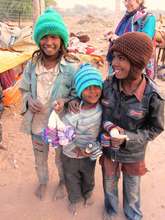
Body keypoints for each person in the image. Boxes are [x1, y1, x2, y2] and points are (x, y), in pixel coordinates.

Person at [100, 32, 164, 220]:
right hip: (108, 150)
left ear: (137, 63)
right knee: (109, 183)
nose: (114, 63)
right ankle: (110, 211)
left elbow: (155, 128)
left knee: (132, 188)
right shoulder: (109, 84)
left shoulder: (152, 95)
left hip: (133, 153)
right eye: (114, 57)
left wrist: (127, 138)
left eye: (121, 58)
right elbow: (96, 108)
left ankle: (133, 215)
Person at [19, 8, 79, 200]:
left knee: (61, 158)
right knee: (40, 158)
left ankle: (62, 182)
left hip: (60, 125)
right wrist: (29, 99)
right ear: (38, 40)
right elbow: (24, 90)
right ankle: (43, 181)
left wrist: (66, 101)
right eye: (44, 36)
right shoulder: (32, 65)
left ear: (61, 40)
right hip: (37, 124)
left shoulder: (71, 68)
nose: (48, 42)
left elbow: (77, 96)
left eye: (54, 36)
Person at [61, 63, 103, 215]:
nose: (92, 91)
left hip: (89, 152)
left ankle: (88, 193)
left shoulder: (102, 108)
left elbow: (102, 130)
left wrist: (91, 148)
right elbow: (65, 133)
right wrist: (75, 148)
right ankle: (74, 199)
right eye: (87, 87)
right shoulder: (74, 110)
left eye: (96, 86)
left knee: (88, 175)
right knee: (71, 177)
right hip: (70, 154)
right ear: (79, 90)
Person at [107, 0, 156, 79]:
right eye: (124, 0)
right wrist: (113, 36)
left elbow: (145, 43)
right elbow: (121, 36)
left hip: (136, 64)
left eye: (129, 0)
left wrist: (119, 39)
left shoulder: (148, 18)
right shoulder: (126, 18)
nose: (126, 3)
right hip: (120, 62)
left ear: (139, 1)